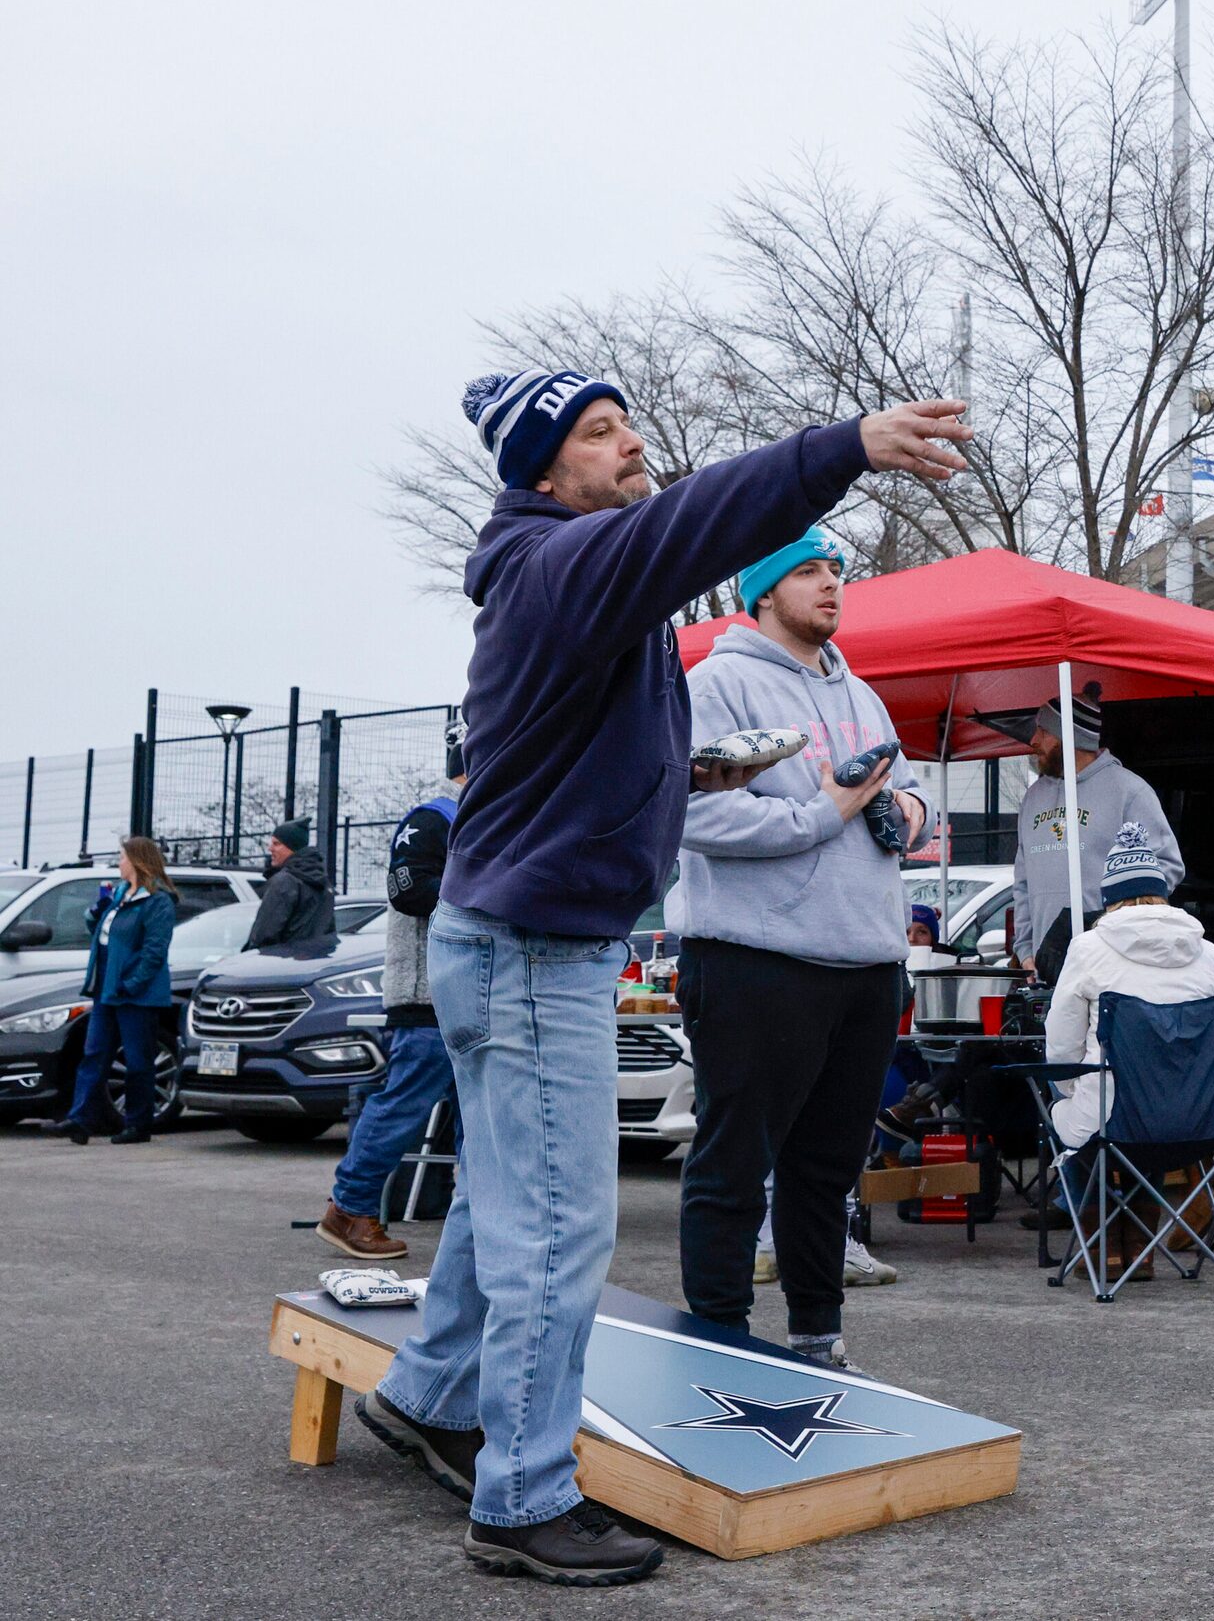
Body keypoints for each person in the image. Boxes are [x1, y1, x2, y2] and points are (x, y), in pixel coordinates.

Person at [348, 362, 970, 1590]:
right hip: (530, 954)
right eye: (597, 432)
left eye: (629, 424)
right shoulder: (563, 568)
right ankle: (521, 1500)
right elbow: (692, 525)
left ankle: (427, 1396)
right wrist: (842, 443)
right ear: (542, 469)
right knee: (558, 1230)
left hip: (512, 939)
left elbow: (564, 770)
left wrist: (692, 778)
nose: (629, 446)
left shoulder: (568, 590)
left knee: (494, 1200)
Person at [670, 525, 928, 1369]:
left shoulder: (864, 694)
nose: (831, 585)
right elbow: (694, 814)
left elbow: (907, 787)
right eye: (809, 572)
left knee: (827, 1173)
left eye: (837, 572)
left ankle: (819, 1341)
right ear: (763, 593)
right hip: (756, 961)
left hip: (865, 963)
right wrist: (827, 813)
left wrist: (915, 815)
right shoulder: (716, 684)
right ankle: (719, 1347)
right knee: (734, 1168)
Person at [1043, 825, 1214, 1283]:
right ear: (1161, 895)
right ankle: (1143, 1250)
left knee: (1070, 1102)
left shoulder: (1087, 948)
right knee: (1144, 1098)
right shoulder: (1211, 955)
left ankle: (1105, 1249)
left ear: (1110, 898)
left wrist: (1068, 1092)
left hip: (1116, 1120)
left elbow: (1062, 1044)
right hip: (1198, 1122)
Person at [318, 739, 468, 1261]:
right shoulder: (432, 819)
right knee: (405, 1104)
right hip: (426, 993)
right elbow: (408, 890)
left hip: (465, 992)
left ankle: (473, 1221)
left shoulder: (471, 817)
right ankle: (350, 1208)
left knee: (473, 1115)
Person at [1011, 689, 1180, 988]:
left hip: (1113, 966)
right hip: (1045, 970)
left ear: (1072, 737)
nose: (1033, 740)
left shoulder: (1129, 791)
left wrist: (1107, 919)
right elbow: (1022, 884)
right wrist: (1025, 950)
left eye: (1044, 731)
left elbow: (1166, 868)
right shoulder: (1032, 798)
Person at [44, 837, 179, 1145]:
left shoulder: (158, 901)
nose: (118, 863)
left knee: (137, 1059)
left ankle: (138, 1124)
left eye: (122, 857)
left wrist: (131, 984)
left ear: (137, 861)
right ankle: (80, 1120)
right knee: (94, 1054)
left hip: (135, 993)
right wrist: (97, 909)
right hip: (106, 988)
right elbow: (102, 934)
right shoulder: (120, 894)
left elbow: (154, 952)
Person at [245, 816, 336, 950]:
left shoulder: (284, 882)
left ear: (292, 847)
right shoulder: (323, 883)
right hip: (317, 963)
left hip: (281, 964)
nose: (270, 849)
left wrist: (245, 959)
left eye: (277, 844)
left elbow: (265, 934)